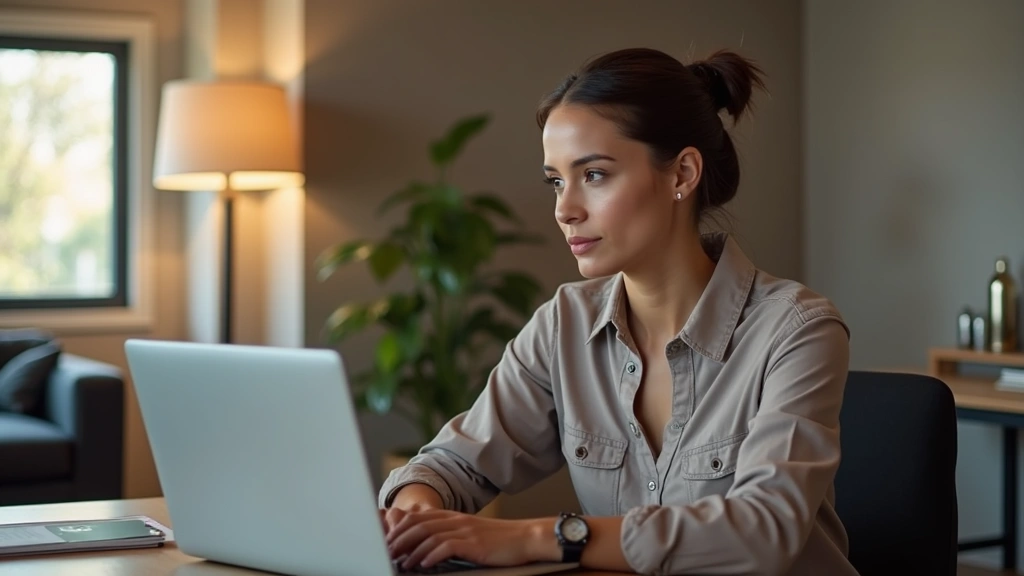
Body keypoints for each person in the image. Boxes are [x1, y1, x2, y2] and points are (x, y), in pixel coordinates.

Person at [379, 47, 858, 576]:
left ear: (683, 173)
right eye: (556, 181)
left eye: (595, 175)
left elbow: (765, 530)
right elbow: (453, 463)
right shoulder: (564, 324)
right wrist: (417, 514)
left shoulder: (798, 330)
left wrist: (542, 537)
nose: (565, 209)